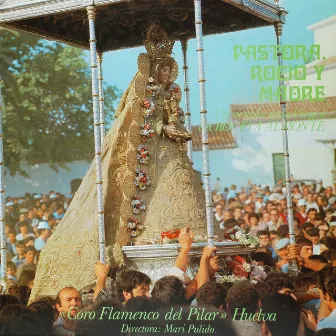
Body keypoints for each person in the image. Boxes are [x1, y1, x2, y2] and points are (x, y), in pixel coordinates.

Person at [31, 24, 209, 300]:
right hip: (147, 148)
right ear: (152, 70)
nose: (165, 73)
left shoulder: (171, 93)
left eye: (168, 69)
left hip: (168, 152)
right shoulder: (143, 91)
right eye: (161, 68)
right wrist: (163, 129)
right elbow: (138, 121)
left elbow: (172, 118)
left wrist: (176, 129)